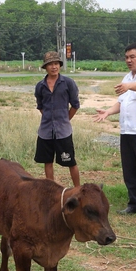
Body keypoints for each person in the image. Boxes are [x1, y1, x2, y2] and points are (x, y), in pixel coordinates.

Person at [92, 43, 136, 221]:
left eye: (132, 57)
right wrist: (108, 111)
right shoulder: (127, 78)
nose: (129, 60)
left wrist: (129, 86)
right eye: (126, 57)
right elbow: (122, 102)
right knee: (130, 171)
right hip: (127, 132)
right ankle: (134, 204)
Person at [34, 51, 81, 187]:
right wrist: (49, 118)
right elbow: (41, 106)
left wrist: (65, 119)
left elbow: (75, 105)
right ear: (45, 67)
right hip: (45, 131)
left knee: (70, 161)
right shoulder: (40, 86)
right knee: (47, 161)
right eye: (50, 64)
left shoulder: (68, 83)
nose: (53, 67)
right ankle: (51, 190)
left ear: (59, 65)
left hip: (63, 131)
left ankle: (78, 189)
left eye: (56, 64)